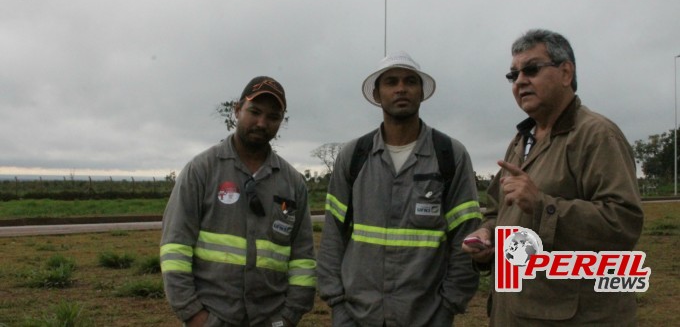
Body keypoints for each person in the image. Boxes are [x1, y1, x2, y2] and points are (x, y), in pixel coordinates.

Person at [463, 29, 644, 326]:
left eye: (531, 69)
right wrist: (487, 237)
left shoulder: (596, 135)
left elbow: (624, 223)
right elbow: (498, 210)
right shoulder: (521, 141)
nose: (520, 80)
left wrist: (542, 204)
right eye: (513, 75)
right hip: (514, 311)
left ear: (565, 72)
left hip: (573, 317)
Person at [317, 51, 482, 327]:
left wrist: (448, 306)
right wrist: (337, 304)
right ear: (377, 93)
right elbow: (333, 235)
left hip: (426, 317)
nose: (401, 88)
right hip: (357, 316)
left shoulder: (450, 154)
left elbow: (465, 238)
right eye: (391, 82)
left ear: (422, 92)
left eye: (410, 81)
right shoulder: (354, 155)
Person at [160, 76, 316, 327]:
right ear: (237, 110)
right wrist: (194, 315)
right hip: (213, 317)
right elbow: (174, 248)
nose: (262, 123)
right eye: (254, 112)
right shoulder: (201, 170)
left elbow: (303, 257)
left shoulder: (293, 182)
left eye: (273, 117)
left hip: (271, 319)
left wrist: (289, 316)